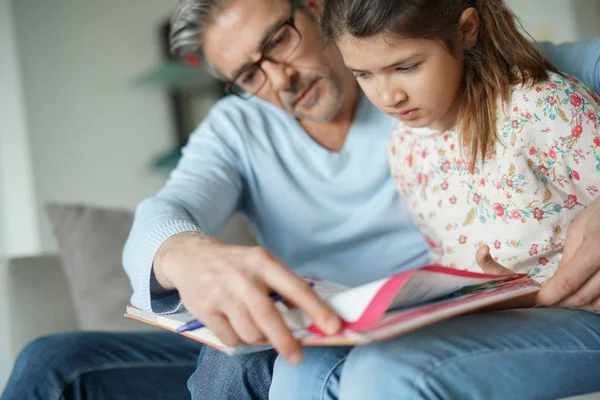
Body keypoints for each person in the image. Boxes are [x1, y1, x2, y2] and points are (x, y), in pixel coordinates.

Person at [2, 0, 600, 399]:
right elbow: (168, 208)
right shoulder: (242, 128)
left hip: (412, 322)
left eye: (278, 41)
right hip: (307, 327)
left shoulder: (432, 77)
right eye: (249, 74)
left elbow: (561, 78)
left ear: (316, 7)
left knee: (245, 366)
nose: (279, 78)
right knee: (55, 364)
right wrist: (184, 255)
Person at [266, 1, 600, 399]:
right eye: (364, 74)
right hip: (503, 316)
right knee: (300, 364)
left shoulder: (543, 108)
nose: (388, 95)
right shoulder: (405, 146)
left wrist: (535, 292)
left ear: (466, 30)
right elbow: (445, 258)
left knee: (384, 372)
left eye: (406, 67)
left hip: (581, 315)